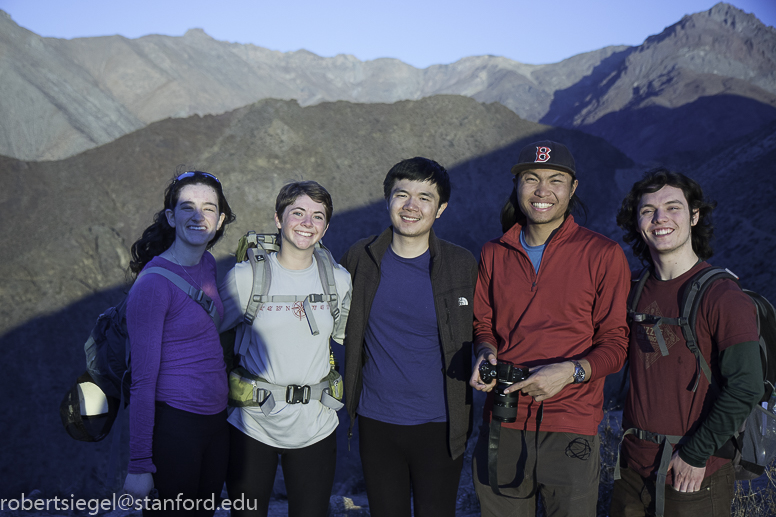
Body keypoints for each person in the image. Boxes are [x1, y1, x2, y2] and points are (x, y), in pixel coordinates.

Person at [469, 140, 631, 516]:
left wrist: (571, 372)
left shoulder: (602, 254)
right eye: (531, 179)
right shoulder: (494, 252)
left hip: (571, 423)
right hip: (504, 419)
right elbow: (484, 325)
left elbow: (615, 344)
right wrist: (484, 352)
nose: (542, 191)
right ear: (517, 185)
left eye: (555, 180)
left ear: (572, 189)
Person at [609, 168, 763, 517]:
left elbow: (746, 386)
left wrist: (695, 454)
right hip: (631, 471)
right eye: (648, 210)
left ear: (694, 216)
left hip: (692, 474)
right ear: (637, 222)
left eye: (673, 207)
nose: (660, 218)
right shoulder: (632, 288)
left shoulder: (722, 296)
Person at [340, 157, 477, 517]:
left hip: (440, 422)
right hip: (376, 420)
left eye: (425, 197)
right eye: (402, 195)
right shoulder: (360, 258)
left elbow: (485, 329)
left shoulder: (461, 265)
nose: (411, 206)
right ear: (388, 200)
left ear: (440, 208)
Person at [218, 181, 352, 517]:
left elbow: (349, 337)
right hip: (252, 423)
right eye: (298, 213)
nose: (307, 223)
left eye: (318, 216)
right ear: (278, 219)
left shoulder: (338, 281)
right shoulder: (245, 277)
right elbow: (206, 338)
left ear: (326, 227)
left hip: (316, 423)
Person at [122, 169, 236, 516]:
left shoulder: (207, 264)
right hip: (174, 427)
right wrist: (139, 465)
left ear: (220, 220)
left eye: (209, 208)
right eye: (187, 207)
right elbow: (142, 382)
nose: (198, 216)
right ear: (171, 217)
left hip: (215, 423)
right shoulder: (153, 286)